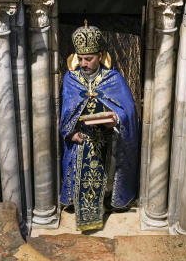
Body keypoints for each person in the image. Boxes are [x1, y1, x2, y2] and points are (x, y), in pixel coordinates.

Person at [59, 22, 139, 231]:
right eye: (81, 58)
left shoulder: (113, 79)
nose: (84, 63)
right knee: (79, 178)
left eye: (89, 58)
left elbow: (127, 111)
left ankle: (107, 204)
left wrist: (116, 120)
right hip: (80, 140)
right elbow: (66, 111)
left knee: (107, 178)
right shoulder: (71, 79)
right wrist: (71, 133)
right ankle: (80, 209)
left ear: (101, 56)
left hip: (107, 141)